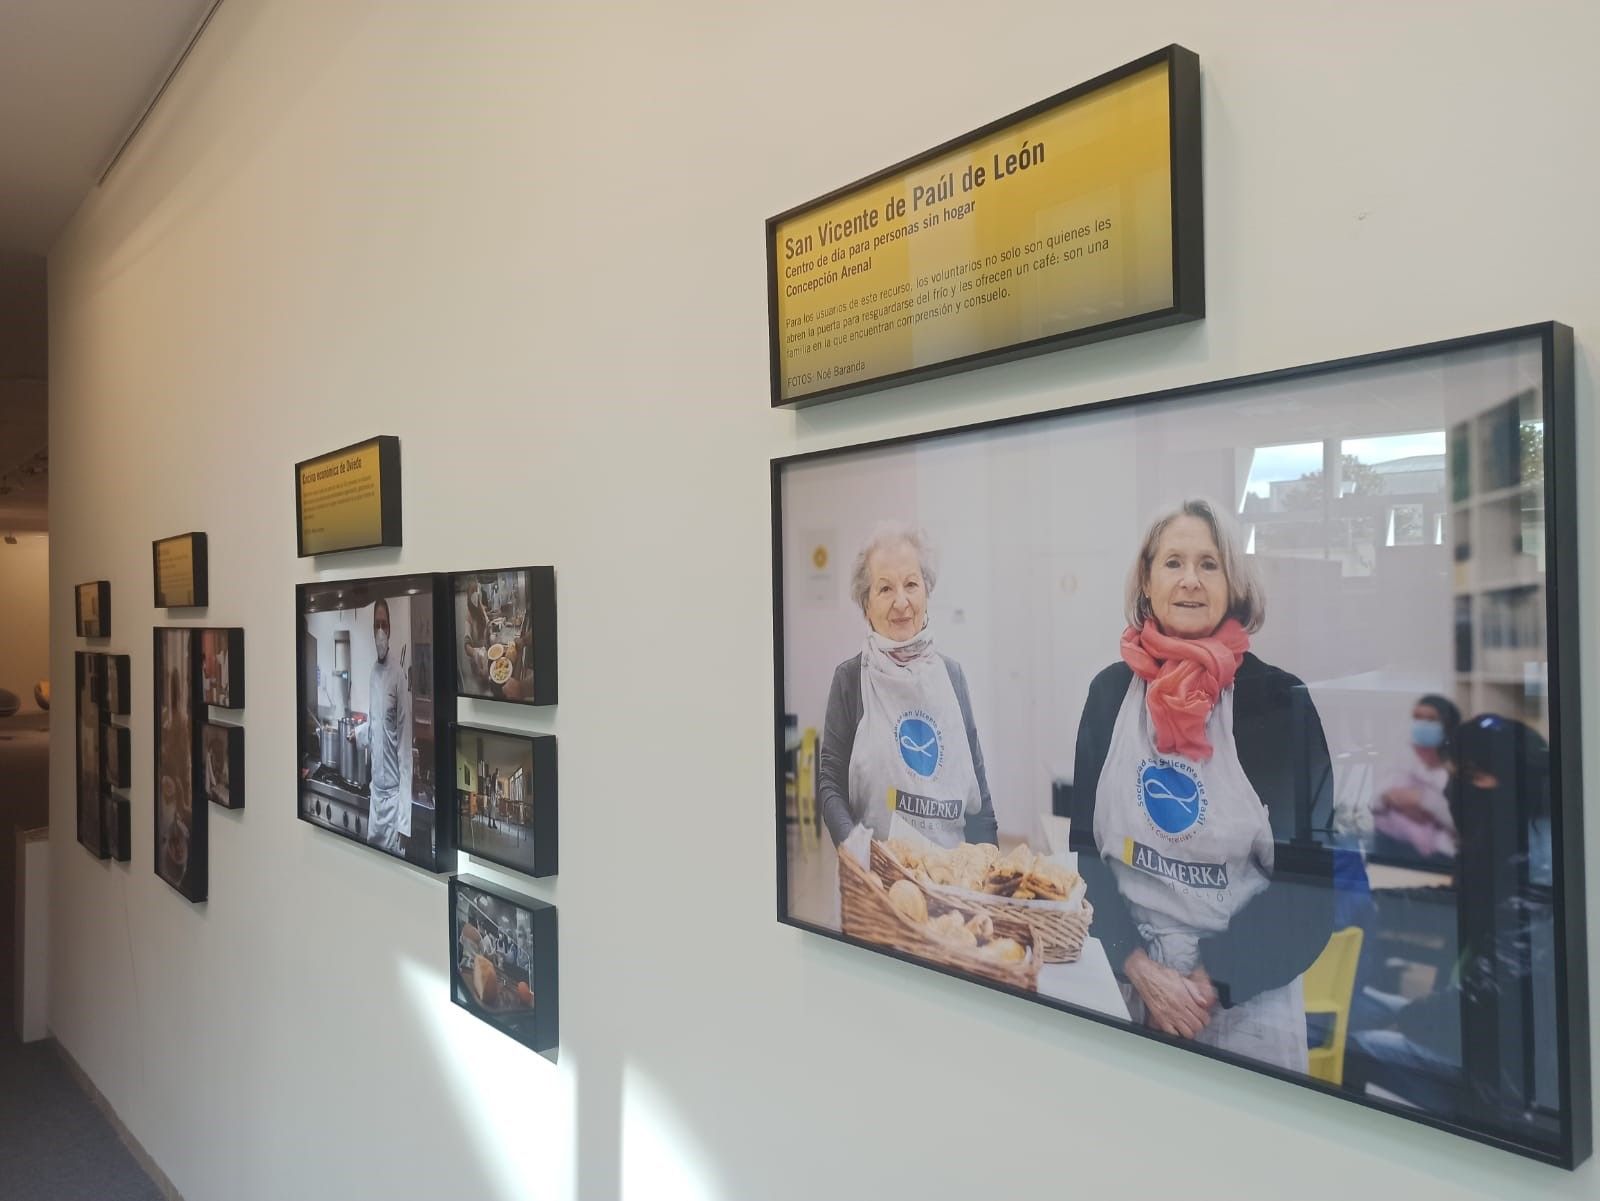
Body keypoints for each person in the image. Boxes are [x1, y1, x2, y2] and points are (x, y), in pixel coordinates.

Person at [1070, 499, 1335, 1070]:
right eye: (1173, 563)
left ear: (1233, 581)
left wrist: (1207, 981)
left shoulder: (1279, 704)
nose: (1190, 580)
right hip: (1125, 986)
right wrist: (1138, 965)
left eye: (1209, 564)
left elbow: (1308, 892)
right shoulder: (1108, 695)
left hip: (1244, 1004)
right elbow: (1086, 856)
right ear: (1146, 578)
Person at [817, 523, 998, 850]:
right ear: (866, 605)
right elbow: (831, 785)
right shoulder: (850, 679)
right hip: (876, 880)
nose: (901, 602)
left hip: (950, 879)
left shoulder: (952, 676)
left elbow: (979, 795)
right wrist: (857, 851)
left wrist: (988, 873)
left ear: (926, 593)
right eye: (885, 589)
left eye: (911, 584)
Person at [1369, 694, 1461, 865]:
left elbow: (1462, 825)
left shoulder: (1459, 768)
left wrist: (1424, 800)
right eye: (1417, 717)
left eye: (1431, 719)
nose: (1423, 725)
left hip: (1440, 860)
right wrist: (1389, 797)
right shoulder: (1402, 755)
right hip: (1391, 850)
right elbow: (1375, 802)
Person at [353, 598, 412, 852]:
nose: (379, 631)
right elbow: (377, 725)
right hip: (375, 798)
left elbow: (405, 751)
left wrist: (404, 822)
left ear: (390, 629)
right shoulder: (371, 674)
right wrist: (356, 734)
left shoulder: (398, 677)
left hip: (392, 802)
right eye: (376, 624)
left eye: (383, 624)